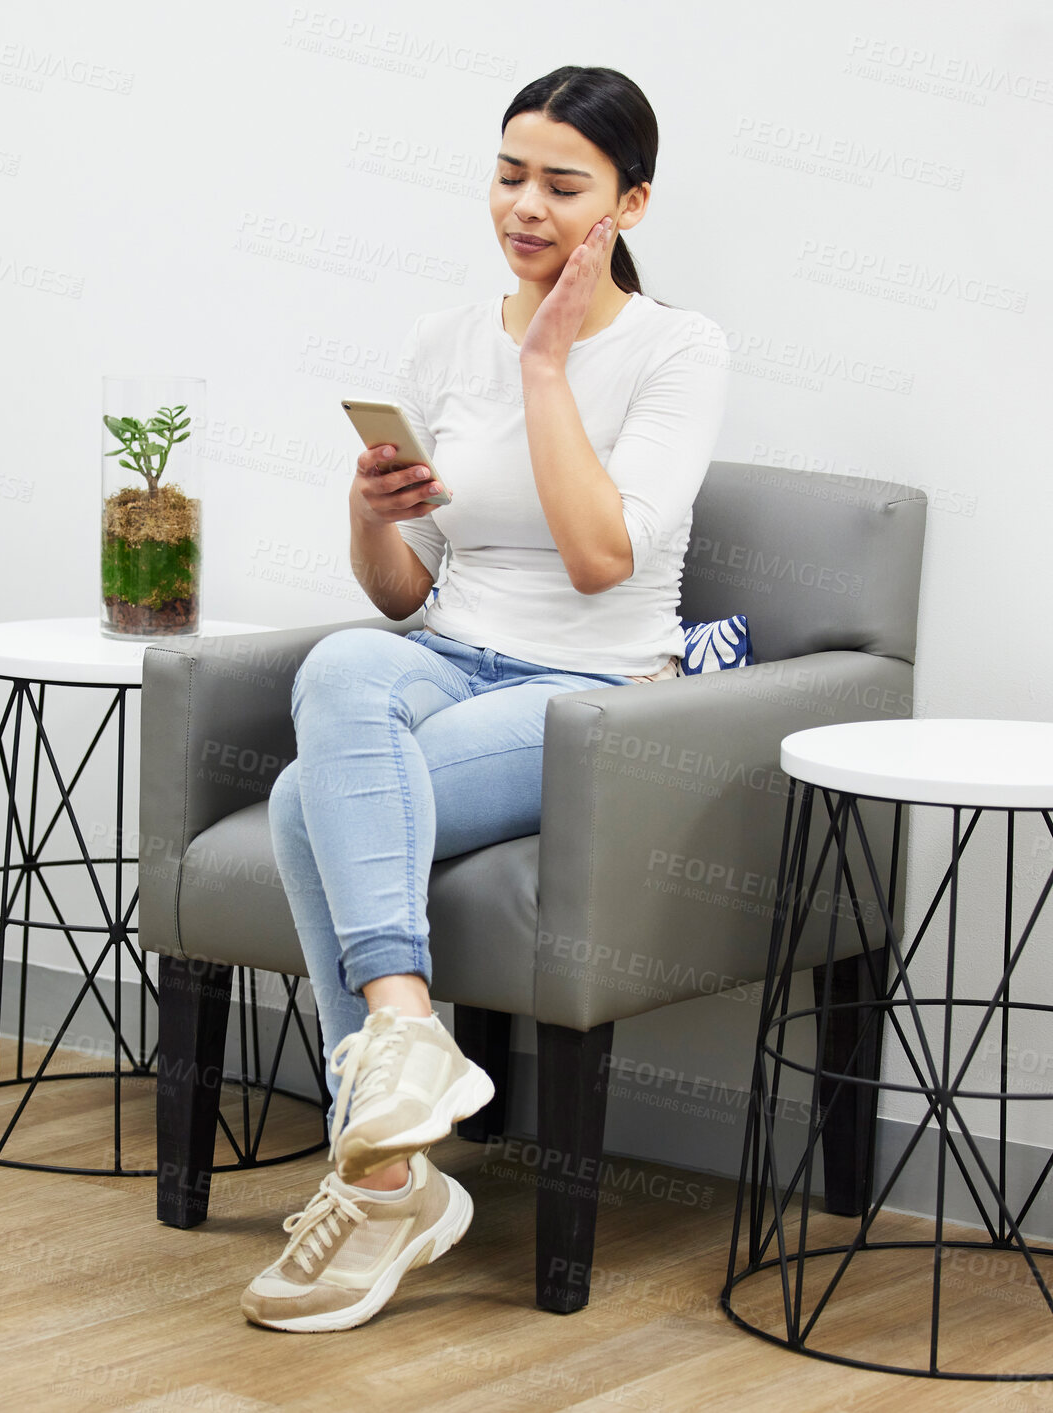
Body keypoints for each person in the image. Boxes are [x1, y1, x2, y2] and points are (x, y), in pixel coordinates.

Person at [240, 64, 729, 1332]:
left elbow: (601, 562)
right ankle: (404, 1036)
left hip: (594, 687)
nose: (526, 206)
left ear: (628, 205)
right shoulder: (444, 338)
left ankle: (390, 1173)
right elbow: (405, 599)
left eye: (564, 185)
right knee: (341, 662)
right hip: (451, 653)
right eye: (510, 175)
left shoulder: (677, 349)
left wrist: (550, 368)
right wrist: (369, 513)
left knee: (303, 805)